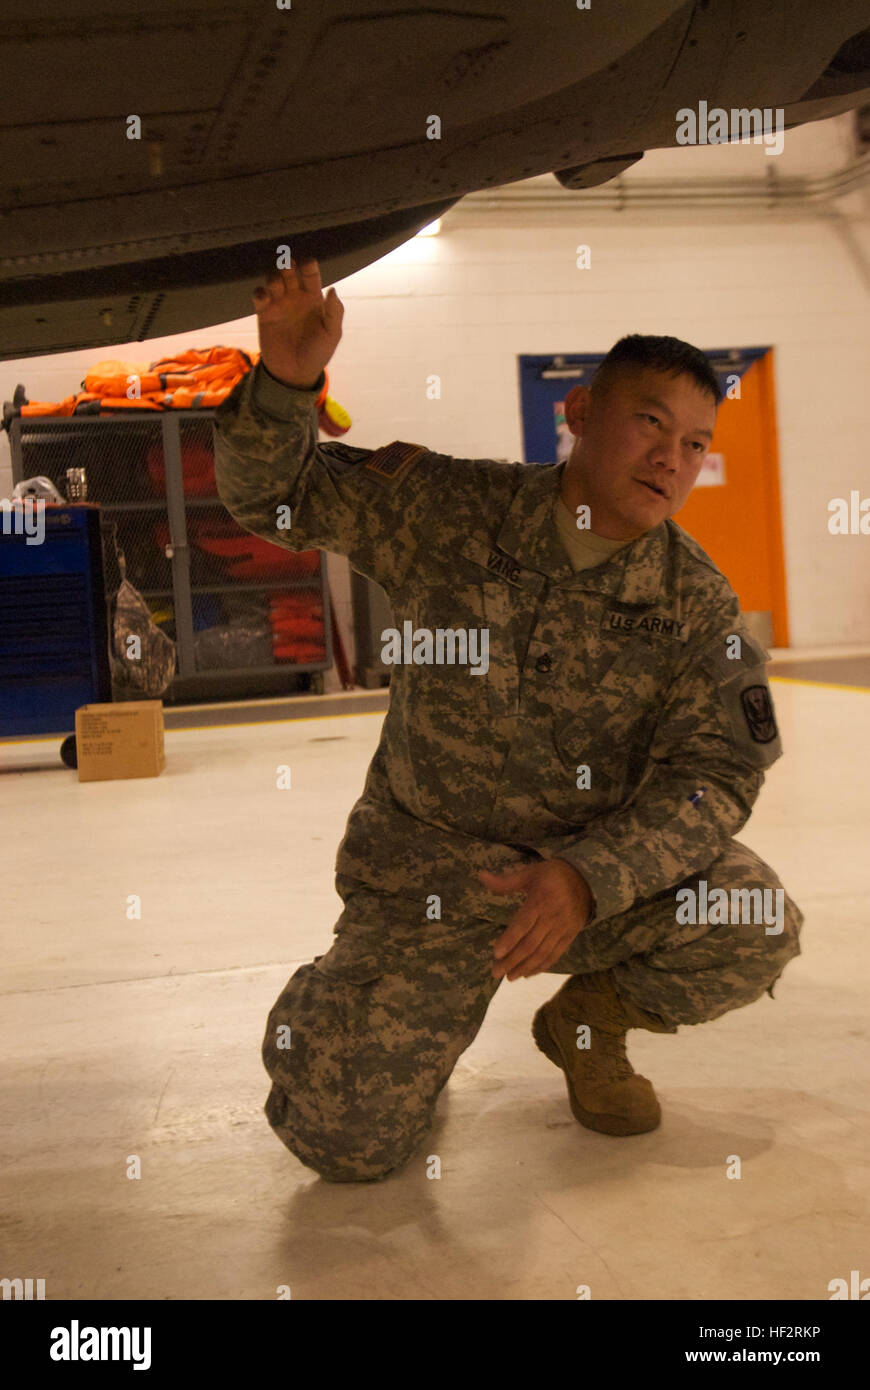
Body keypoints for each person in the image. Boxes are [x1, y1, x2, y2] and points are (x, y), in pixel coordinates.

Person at [213, 258, 803, 1182]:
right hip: (431, 881)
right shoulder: (449, 510)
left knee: (755, 915)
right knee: (346, 1145)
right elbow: (274, 499)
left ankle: (586, 1023)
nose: (671, 460)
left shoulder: (696, 600)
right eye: (651, 422)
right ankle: (364, 1008)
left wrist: (588, 876)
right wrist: (289, 386)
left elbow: (717, 775)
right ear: (580, 414)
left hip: (582, 886)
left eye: (695, 443)